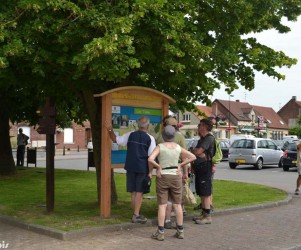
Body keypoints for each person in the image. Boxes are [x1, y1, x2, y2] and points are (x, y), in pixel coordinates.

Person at [148, 125, 196, 241]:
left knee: (162, 205)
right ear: (174, 136)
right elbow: (193, 156)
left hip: (163, 176)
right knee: (177, 204)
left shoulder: (160, 147)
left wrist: (159, 167)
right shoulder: (178, 147)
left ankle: (160, 232)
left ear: (163, 136)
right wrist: (179, 165)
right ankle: (180, 230)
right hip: (175, 176)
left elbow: (150, 159)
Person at [105, 116, 156, 224]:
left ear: (138, 125)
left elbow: (115, 139)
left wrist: (109, 128)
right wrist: (150, 172)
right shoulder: (150, 139)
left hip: (130, 166)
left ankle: (136, 213)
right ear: (147, 125)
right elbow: (151, 158)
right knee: (139, 191)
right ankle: (136, 215)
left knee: (133, 191)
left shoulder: (130, 135)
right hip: (142, 168)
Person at [156, 115, 187, 229]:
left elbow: (153, 158)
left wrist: (157, 167)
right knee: (177, 202)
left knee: (164, 201)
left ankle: (166, 221)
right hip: (175, 171)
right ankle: (180, 227)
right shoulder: (179, 137)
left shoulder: (159, 138)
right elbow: (185, 157)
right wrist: (185, 172)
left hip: (163, 171)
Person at [192, 119, 215, 225]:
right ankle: (203, 213)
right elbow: (196, 152)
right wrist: (195, 151)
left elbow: (198, 151)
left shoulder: (209, 138)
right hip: (200, 167)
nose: (198, 127)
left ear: (205, 127)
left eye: (200, 125)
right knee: (201, 191)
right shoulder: (202, 139)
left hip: (205, 167)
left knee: (205, 192)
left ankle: (207, 216)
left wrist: (195, 151)